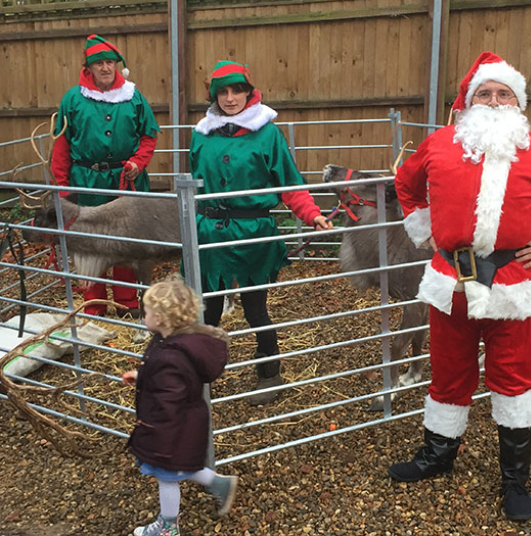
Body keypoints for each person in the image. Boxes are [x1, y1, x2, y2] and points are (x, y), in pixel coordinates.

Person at [390, 51, 531, 522]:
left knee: (512, 380)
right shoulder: (440, 143)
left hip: (514, 284)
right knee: (449, 370)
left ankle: (515, 478)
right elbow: (406, 185)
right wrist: (423, 225)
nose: (493, 100)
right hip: (450, 281)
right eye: (483, 93)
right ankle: (438, 456)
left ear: (518, 102)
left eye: (502, 93)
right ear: (469, 102)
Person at [189, 60, 333, 405]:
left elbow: (289, 182)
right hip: (210, 232)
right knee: (206, 311)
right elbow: (192, 186)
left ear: (249, 92)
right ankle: (200, 379)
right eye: (222, 91)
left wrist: (312, 214)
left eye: (236, 90)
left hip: (252, 230)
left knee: (256, 310)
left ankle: (270, 375)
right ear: (214, 95)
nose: (229, 98)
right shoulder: (203, 134)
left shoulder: (266, 132)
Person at [51, 34, 160, 317]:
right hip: (84, 182)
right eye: (99, 63)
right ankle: (93, 306)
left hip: (122, 182)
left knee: (123, 242)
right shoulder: (73, 99)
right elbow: (61, 148)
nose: (105, 68)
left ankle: (126, 304)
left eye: (110, 62)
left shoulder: (133, 97)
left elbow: (149, 136)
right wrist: (62, 191)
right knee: (89, 245)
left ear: (117, 65)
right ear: (88, 67)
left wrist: (138, 162)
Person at [122, 280, 236, 536]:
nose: (144, 317)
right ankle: (219, 485)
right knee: (182, 464)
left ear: (161, 318)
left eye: (147, 312)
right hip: (186, 422)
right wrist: (142, 377)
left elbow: (169, 397)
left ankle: (168, 527)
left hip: (172, 427)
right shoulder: (175, 343)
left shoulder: (170, 354)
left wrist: (157, 432)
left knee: (167, 475)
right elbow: (171, 380)